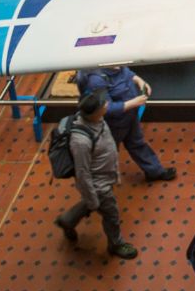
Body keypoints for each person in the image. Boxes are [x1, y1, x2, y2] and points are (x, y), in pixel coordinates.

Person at [55, 90, 136, 259]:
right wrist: (92, 198)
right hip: (99, 184)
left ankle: (67, 220)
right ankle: (116, 244)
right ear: (95, 112)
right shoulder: (81, 142)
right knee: (111, 214)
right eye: (104, 104)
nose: (107, 104)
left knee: (91, 204)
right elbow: (83, 173)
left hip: (106, 176)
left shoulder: (97, 119)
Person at [74, 65, 175, 183]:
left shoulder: (117, 64)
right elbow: (106, 108)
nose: (119, 67)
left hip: (129, 117)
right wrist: (134, 103)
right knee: (109, 153)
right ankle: (102, 183)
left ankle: (155, 171)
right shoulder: (96, 80)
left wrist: (139, 81)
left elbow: (127, 73)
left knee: (138, 143)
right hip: (114, 125)